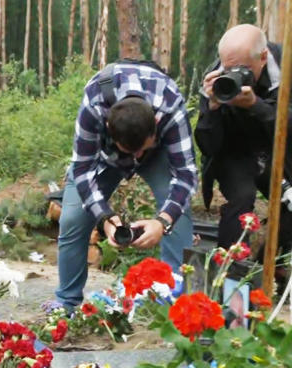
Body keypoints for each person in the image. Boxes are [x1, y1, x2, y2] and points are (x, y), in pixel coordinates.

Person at [55, 59, 197, 310]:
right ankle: (66, 305)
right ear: (108, 129)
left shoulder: (170, 104)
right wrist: (105, 218)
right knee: (73, 217)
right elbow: (82, 169)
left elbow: (185, 174)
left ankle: (179, 304)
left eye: (141, 150)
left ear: (156, 124)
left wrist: (163, 221)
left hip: (159, 156)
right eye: (131, 151)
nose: (136, 159)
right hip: (106, 159)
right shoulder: (95, 103)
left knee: (178, 213)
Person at [195, 24, 292, 253]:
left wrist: (256, 106)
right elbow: (208, 147)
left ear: (263, 57)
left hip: (279, 143)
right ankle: (229, 271)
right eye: (229, 68)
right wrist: (211, 109)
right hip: (235, 148)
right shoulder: (216, 78)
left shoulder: (286, 64)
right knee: (240, 199)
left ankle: (273, 267)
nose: (235, 76)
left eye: (243, 69)